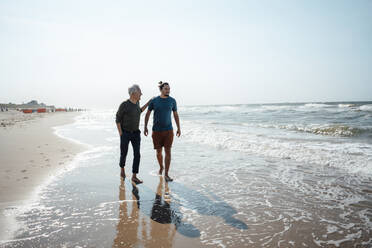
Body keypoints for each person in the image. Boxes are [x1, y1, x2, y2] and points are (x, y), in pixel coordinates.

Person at [144, 81, 181, 182]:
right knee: (159, 152)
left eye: (169, 89)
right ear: (161, 89)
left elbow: (175, 115)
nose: (168, 91)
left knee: (168, 151)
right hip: (156, 131)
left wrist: (178, 128)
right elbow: (147, 114)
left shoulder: (172, 101)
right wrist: (145, 127)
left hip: (169, 130)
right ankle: (161, 167)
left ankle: (166, 174)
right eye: (166, 89)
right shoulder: (154, 101)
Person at [115, 84, 151, 184]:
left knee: (137, 155)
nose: (141, 94)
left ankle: (134, 176)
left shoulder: (138, 102)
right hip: (125, 133)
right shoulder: (124, 104)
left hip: (136, 133)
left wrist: (148, 103)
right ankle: (122, 170)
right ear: (134, 93)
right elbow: (117, 119)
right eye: (140, 92)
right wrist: (121, 134)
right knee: (124, 153)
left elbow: (139, 111)